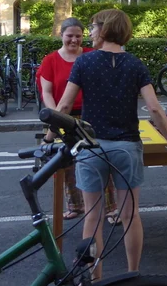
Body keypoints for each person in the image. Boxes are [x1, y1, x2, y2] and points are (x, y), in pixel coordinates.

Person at [49, 9, 167, 278]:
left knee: (93, 217)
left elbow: (63, 105)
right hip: (127, 147)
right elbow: (155, 109)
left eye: (93, 27)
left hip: (92, 147)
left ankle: (95, 280)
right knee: (130, 215)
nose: (90, 32)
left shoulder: (84, 63)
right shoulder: (135, 64)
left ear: (105, 28)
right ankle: (133, 274)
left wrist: (50, 136)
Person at [38, 17, 119, 223]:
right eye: (69, 36)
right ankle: (75, 205)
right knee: (66, 163)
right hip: (62, 115)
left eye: (78, 36)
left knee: (100, 159)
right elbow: (46, 92)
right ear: (61, 35)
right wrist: (55, 115)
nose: (74, 40)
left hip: (91, 115)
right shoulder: (51, 60)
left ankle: (111, 208)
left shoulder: (92, 55)